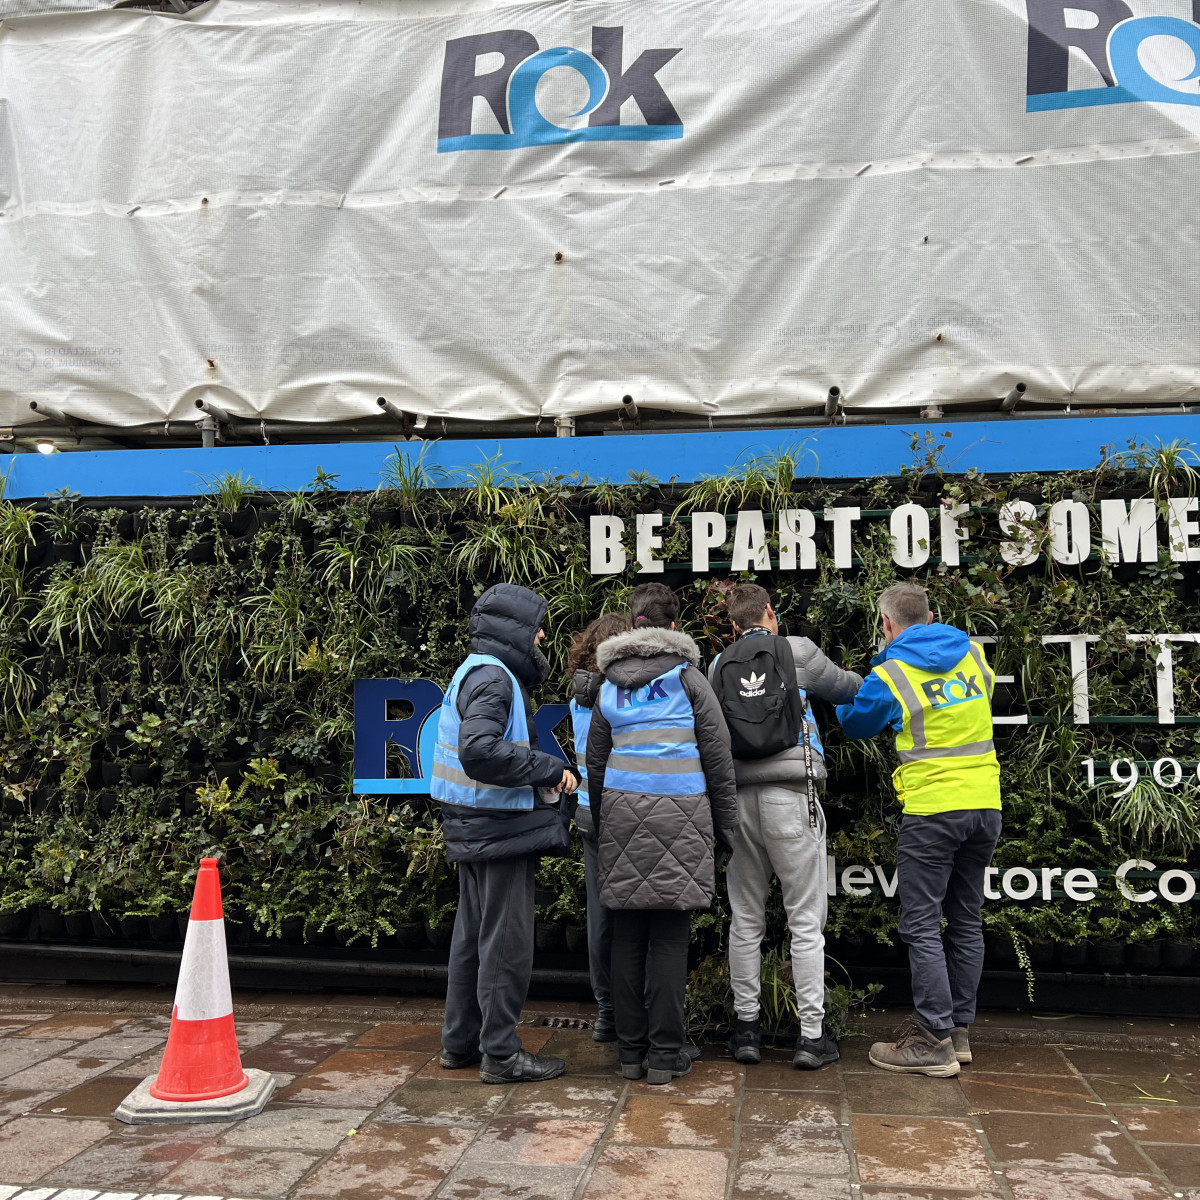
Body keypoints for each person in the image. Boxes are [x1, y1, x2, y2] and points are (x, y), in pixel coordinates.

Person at [835, 582, 1001, 1078]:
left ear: (886, 624)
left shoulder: (891, 674)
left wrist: (857, 685)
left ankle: (932, 1040)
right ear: (930, 616)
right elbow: (980, 698)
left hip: (932, 811)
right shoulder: (972, 653)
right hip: (985, 804)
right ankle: (957, 1032)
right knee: (965, 920)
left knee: (922, 924)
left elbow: (855, 723)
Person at [586, 582, 738, 1085]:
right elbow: (718, 756)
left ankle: (631, 1054)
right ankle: (667, 1055)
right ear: (673, 626)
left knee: (627, 937)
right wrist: (726, 828)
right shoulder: (688, 678)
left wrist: (607, 821)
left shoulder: (608, 685)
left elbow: (596, 763)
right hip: (683, 816)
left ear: (633, 624)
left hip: (622, 816)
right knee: (670, 940)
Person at [709, 584, 862, 1070]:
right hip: (794, 796)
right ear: (771, 613)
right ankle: (811, 1038)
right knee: (805, 921)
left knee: (745, 919)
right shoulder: (796, 651)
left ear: (732, 624)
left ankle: (746, 1030)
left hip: (739, 801)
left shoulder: (718, 665)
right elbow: (849, 688)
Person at [432, 583, 580, 1085]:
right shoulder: (496, 679)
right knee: (505, 944)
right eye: (537, 627)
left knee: (472, 938)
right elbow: (480, 750)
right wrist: (549, 768)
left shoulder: (474, 670)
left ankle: (460, 1042)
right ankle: (499, 1054)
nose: (542, 636)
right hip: (499, 830)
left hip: (474, 825)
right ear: (515, 630)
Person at [567, 611, 633, 1044]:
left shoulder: (579, 697)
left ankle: (606, 1012)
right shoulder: (622, 697)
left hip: (589, 812)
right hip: (625, 811)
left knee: (600, 915)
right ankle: (630, 1012)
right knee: (633, 916)